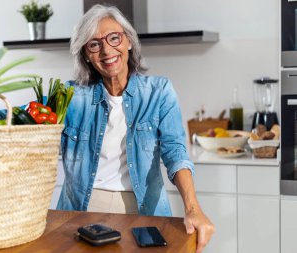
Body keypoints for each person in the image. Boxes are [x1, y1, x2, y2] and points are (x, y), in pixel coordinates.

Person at [57, 4, 214, 253]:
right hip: (81, 209)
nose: (107, 50)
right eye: (94, 44)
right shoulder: (71, 96)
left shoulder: (159, 91)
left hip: (141, 208)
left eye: (114, 38)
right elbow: (27, 121)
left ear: (128, 41)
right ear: (86, 54)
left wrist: (192, 209)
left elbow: (175, 152)